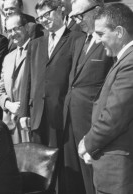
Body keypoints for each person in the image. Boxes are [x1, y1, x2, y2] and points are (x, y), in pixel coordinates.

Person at [78, 3, 133, 193]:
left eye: (101, 34)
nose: (98, 39)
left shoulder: (130, 63)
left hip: (118, 173)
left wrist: (87, 143)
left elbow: (114, 117)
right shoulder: (123, 60)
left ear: (119, 31)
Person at [60, 0, 114, 194]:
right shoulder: (79, 40)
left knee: (92, 176)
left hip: (92, 120)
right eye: (73, 17)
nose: (76, 20)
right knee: (75, 177)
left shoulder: (108, 41)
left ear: (97, 11)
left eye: (80, 15)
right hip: (71, 119)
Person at [18, 0, 84, 147]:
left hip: (63, 114)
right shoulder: (35, 44)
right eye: (39, 17)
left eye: (47, 14)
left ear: (60, 10)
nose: (43, 20)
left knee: (61, 164)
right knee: (40, 164)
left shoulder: (77, 39)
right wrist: (23, 113)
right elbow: (27, 80)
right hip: (37, 116)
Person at [0, 13, 31, 144]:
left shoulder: (38, 49)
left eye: (16, 28)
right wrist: (8, 104)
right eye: (9, 30)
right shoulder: (8, 57)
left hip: (29, 122)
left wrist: (23, 109)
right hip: (11, 124)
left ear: (26, 27)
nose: (13, 33)